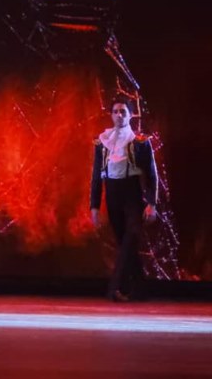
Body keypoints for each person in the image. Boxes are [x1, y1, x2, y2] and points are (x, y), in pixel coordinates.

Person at [90, 95, 158, 302]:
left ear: (130, 115)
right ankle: (137, 289)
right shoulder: (102, 143)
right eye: (116, 111)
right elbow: (96, 176)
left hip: (132, 193)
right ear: (111, 115)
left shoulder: (140, 142)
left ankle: (118, 287)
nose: (119, 115)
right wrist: (94, 206)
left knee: (130, 239)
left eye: (123, 112)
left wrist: (151, 203)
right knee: (123, 242)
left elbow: (152, 174)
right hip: (112, 193)